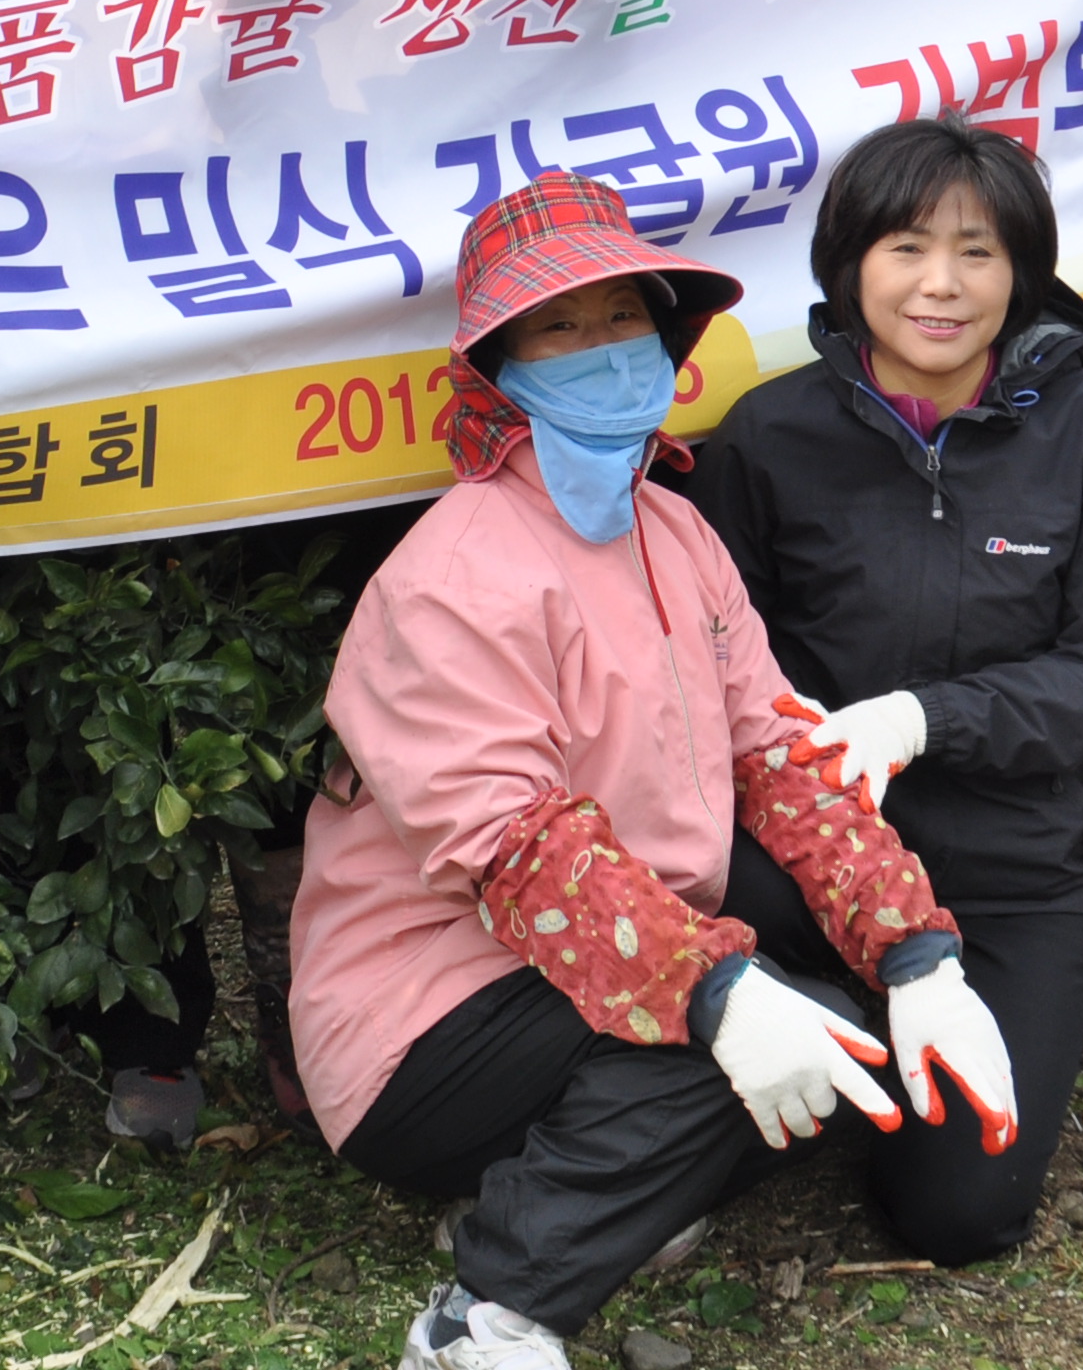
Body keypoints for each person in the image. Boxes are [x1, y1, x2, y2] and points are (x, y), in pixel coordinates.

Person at [297, 174, 1027, 1370]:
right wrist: (716, 992)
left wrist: (917, 952)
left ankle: (576, 1178)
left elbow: (779, 755)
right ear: (500, 365)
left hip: (604, 946)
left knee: (835, 1033)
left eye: (621, 317)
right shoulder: (451, 576)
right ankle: (484, 1313)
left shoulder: (673, 530)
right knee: (736, 1056)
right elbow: (512, 850)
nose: (600, 351)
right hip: (425, 1010)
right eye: (558, 326)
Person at [688, 120, 1083, 1263]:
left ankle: (899, 1054)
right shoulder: (768, 433)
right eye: (907, 247)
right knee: (720, 943)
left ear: (1024, 272)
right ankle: (820, 1026)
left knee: (961, 1214)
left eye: (979, 251)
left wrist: (925, 718)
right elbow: (709, 656)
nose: (941, 285)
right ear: (850, 261)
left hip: (1019, 866)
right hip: (814, 853)